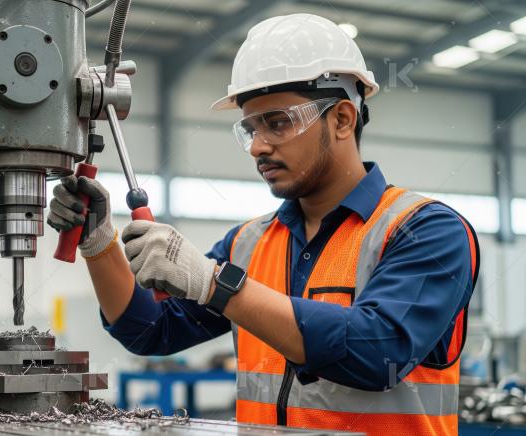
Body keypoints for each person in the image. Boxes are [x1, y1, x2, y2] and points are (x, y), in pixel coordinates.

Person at [47, 13, 478, 436]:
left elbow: (377, 350)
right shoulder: (248, 244)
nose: (257, 146)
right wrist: (99, 243)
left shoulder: (425, 231)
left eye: (278, 123)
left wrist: (217, 286)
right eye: (250, 127)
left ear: (343, 119)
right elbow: (151, 330)